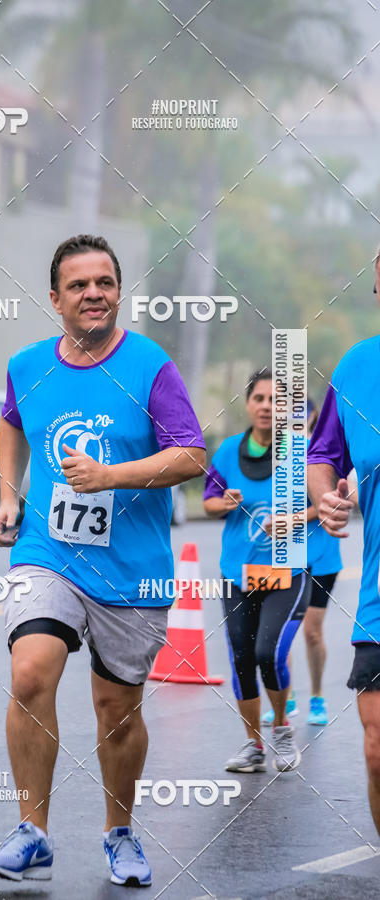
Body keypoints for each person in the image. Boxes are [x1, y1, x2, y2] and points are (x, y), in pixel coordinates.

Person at [0, 234, 206, 885]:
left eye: (104, 282)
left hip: (132, 569)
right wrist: (7, 496)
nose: (93, 294)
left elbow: (191, 455)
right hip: (48, 554)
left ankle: (121, 833)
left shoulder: (149, 365)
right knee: (30, 675)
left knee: (117, 708)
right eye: (78, 285)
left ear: (118, 291)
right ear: (55, 299)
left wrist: (111, 476)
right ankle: (32, 832)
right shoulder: (27, 364)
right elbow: (11, 421)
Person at [203, 370, 311, 773]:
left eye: (276, 400)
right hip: (239, 573)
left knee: (269, 652)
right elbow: (210, 501)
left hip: (287, 573)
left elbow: (329, 503)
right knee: (242, 657)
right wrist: (224, 502)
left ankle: (281, 729)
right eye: (260, 398)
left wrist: (295, 519)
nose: (267, 406)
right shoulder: (229, 451)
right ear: (248, 404)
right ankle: (254, 745)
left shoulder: (301, 452)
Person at [308, 246, 380, 835]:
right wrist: (327, 495)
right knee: (377, 749)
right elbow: (321, 454)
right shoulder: (356, 369)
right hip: (379, 599)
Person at [261, 398, 343, 727]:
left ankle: (319, 697)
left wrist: (293, 520)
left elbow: (334, 502)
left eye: (299, 414)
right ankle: (288, 697)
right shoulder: (274, 454)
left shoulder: (320, 453)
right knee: (283, 631)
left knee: (311, 632)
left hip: (322, 556)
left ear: (312, 418)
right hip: (285, 555)